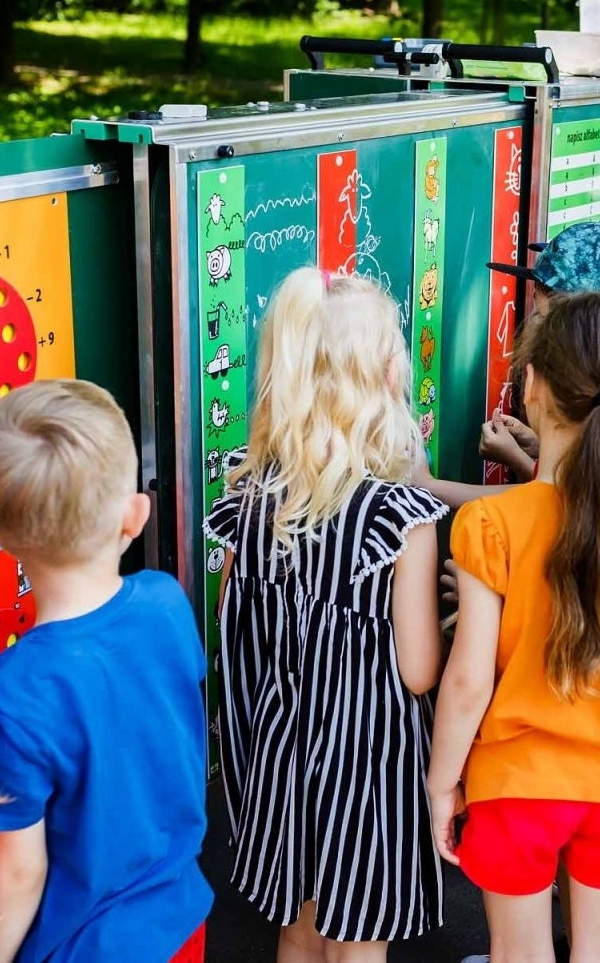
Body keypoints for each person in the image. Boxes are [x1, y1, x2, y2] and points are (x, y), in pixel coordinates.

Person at [429, 291, 600, 963]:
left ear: (532, 387)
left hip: (513, 782)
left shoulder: (492, 524)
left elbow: (467, 680)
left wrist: (441, 785)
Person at [205, 268, 447, 959]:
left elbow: (243, 638)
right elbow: (420, 669)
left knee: (300, 927)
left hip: (280, 756)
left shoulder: (247, 502)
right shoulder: (401, 518)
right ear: (382, 372)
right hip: (368, 767)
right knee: (358, 939)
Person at [0, 379, 211, 963]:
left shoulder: (2, 698)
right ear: (135, 516)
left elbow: (19, 873)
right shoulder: (166, 602)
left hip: (80, 945)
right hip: (177, 918)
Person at [428, 221, 600, 504]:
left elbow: (552, 506)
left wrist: (427, 485)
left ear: (588, 331)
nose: (532, 328)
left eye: (543, 317)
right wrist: (540, 446)